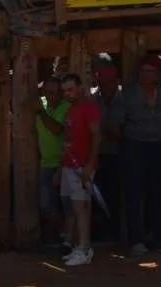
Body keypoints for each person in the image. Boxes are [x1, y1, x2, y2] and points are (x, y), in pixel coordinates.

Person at [118, 54, 161, 256]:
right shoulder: (128, 94)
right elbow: (116, 124)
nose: (145, 75)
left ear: (159, 74)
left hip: (160, 147)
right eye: (143, 71)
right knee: (134, 194)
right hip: (134, 146)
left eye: (150, 71)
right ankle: (136, 240)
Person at [59, 73, 101, 266]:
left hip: (82, 166)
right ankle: (79, 246)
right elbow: (69, 136)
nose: (67, 94)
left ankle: (84, 249)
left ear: (80, 88)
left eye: (70, 90)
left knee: (80, 206)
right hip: (70, 165)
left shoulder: (89, 108)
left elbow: (96, 136)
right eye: (65, 91)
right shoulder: (70, 110)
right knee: (74, 207)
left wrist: (90, 164)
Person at [35, 75, 70, 247]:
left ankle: (67, 238)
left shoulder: (66, 107)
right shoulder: (41, 103)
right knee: (47, 206)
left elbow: (56, 128)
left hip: (62, 163)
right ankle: (62, 236)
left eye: (57, 93)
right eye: (49, 92)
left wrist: (40, 111)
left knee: (64, 205)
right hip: (45, 163)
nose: (53, 97)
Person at [91, 64, 124, 243]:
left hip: (121, 155)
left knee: (118, 195)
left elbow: (122, 131)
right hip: (99, 155)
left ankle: (118, 233)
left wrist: (108, 133)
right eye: (101, 83)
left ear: (116, 81)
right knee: (98, 195)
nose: (105, 86)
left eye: (108, 82)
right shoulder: (93, 99)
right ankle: (101, 234)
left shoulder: (124, 98)